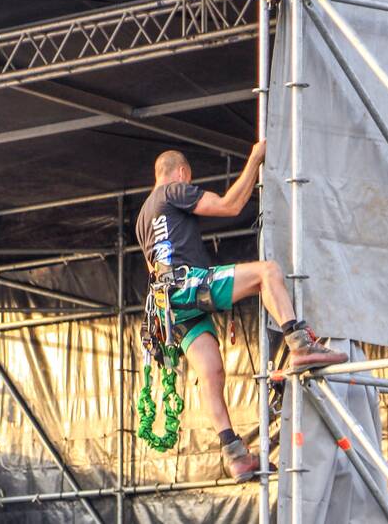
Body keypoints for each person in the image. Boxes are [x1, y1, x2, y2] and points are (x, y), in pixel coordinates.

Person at [136, 142, 348, 482]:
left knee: (211, 374)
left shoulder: (144, 216)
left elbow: (152, 267)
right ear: (181, 173)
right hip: (188, 284)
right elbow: (230, 205)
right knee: (267, 273)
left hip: (167, 305)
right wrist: (255, 159)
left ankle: (234, 453)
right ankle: (300, 343)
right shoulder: (175, 190)